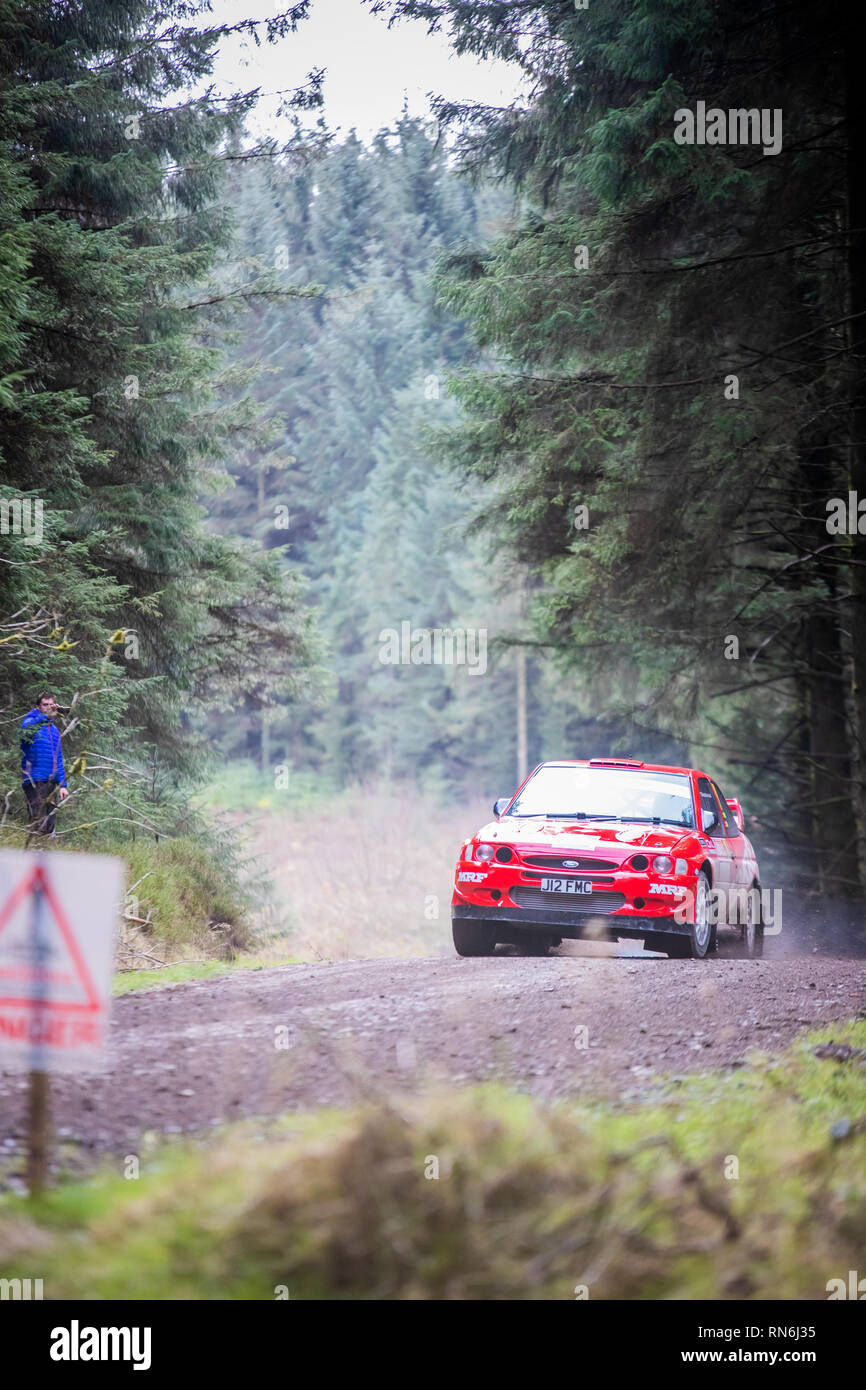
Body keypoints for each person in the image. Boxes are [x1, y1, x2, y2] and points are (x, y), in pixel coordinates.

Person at [20, 691, 69, 836]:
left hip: (51, 782)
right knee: (38, 821)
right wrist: (45, 717)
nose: (48, 707)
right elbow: (26, 733)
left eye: (51, 705)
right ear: (37, 706)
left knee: (49, 823)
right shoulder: (30, 722)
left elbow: (58, 759)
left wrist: (62, 785)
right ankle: (33, 852)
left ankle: (44, 852)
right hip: (34, 779)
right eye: (45, 705)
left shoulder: (54, 730)